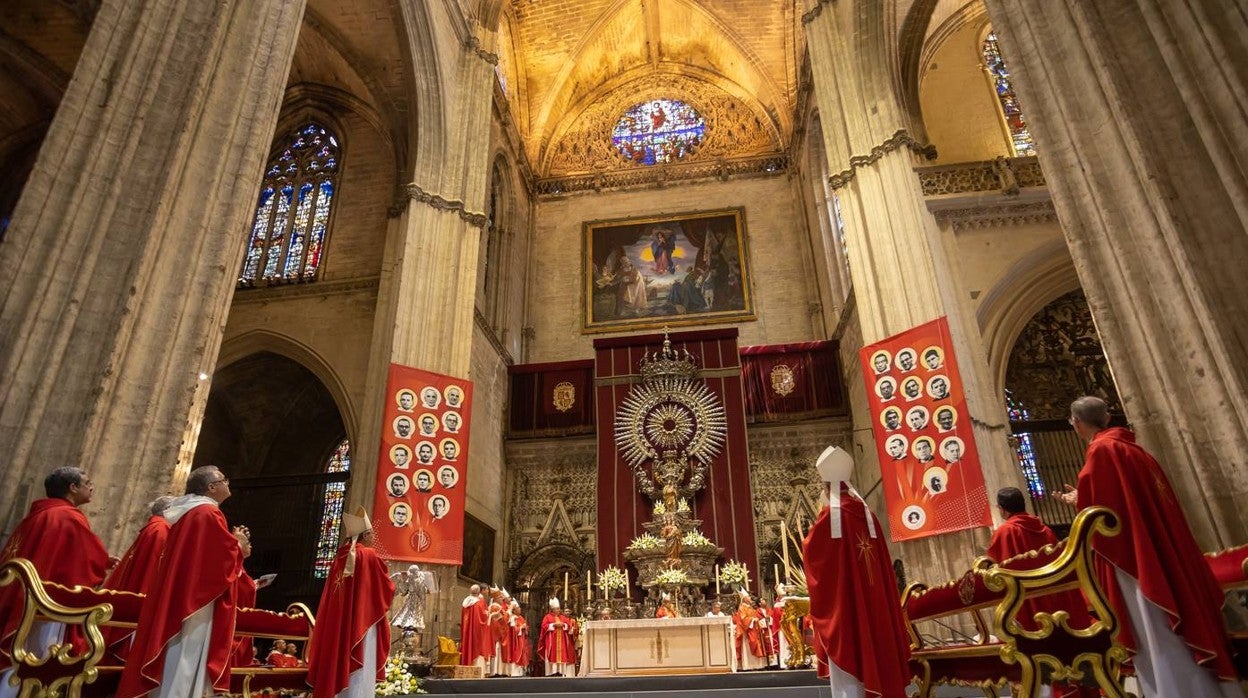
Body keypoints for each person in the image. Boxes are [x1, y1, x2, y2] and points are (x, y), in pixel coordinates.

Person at [1056, 396, 1237, 697]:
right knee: (1173, 620)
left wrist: (1080, 501)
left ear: (1077, 423)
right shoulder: (1135, 450)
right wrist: (1085, 498)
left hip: (1134, 559)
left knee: (1153, 629)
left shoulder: (1102, 451)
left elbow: (1101, 515)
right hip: (1157, 550)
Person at [117, 466, 243, 698]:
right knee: (186, 656)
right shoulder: (207, 513)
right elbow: (217, 561)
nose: (228, 482)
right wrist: (239, 548)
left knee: (177, 659)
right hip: (195, 602)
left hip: (184, 594)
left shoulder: (191, 513)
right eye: (224, 479)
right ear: (211, 487)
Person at [803, 446, 910, 697]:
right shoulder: (869, 516)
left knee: (849, 676)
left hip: (848, 609)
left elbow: (814, 558)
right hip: (876, 605)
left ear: (826, 487)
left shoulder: (830, 518)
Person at [0, 467, 111, 690]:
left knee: (16, 656)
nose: (91, 487)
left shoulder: (38, 515)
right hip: (46, 606)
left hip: (22, 598)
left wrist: (103, 559)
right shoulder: (68, 517)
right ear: (73, 488)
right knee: (35, 660)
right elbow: (89, 560)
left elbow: (61, 552)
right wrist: (103, 562)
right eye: (87, 482)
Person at [986, 487, 1096, 698]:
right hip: (1057, 602)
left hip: (1030, 605)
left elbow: (995, 570)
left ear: (1002, 509)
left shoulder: (1005, 532)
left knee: (1036, 659)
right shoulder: (1044, 529)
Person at [307, 506, 395, 698]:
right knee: (361, 669)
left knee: (340, 655)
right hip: (362, 622)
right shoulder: (369, 555)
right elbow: (386, 589)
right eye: (371, 533)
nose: (374, 538)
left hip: (339, 622)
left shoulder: (340, 556)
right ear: (364, 535)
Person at [102, 496, 174, 660]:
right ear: (169, 511)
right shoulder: (161, 530)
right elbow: (153, 570)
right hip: (143, 598)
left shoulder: (155, 527)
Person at [229, 526, 272, 671]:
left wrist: (255, 585)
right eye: (248, 543)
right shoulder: (234, 563)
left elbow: (241, 586)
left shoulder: (241, 567)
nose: (251, 545)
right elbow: (234, 584)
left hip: (241, 624)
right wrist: (237, 541)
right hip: (234, 626)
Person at [538, 598, 577, 677]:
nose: (559, 610)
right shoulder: (547, 617)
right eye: (557, 608)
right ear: (552, 609)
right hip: (552, 641)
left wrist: (564, 625)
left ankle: (560, 672)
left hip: (562, 641)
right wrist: (553, 625)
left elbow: (569, 626)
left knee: (562, 656)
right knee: (552, 655)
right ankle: (552, 672)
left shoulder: (563, 617)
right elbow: (544, 627)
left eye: (559, 608)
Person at [732, 591, 768, 671]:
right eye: (748, 597)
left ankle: (757, 665)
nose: (750, 598)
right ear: (744, 599)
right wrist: (752, 620)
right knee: (748, 648)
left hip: (754, 630)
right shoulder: (742, 608)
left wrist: (757, 620)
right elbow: (743, 619)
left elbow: (754, 616)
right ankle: (749, 665)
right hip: (747, 632)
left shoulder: (750, 608)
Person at [459, 585, 491, 670]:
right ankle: (478, 670)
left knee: (468, 644)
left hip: (467, 630)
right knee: (477, 646)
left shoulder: (465, 602)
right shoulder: (479, 602)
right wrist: (488, 613)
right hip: (477, 631)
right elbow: (482, 618)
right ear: (479, 591)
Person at [488, 589, 512, 677]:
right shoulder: (495, 607)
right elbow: (502, 620)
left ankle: (499, 671)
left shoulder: (498, 607)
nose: (502, 598)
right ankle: (495, 671)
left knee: (499, 652)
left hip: (500, 632)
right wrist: (509, 612)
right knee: (497, 652)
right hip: (497, 634)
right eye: (501, 597)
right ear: (496, 598)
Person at [507, 601, 531, 677]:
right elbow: (513, 630)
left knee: (523, 655)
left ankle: (521, 672)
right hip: (516, 641)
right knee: (516, 654)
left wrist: (525, 628)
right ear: (514, 610)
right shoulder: (512, 618)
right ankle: (514, 673)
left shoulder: (521, 617)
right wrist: (521, 628)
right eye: (518, 608)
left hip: (522, 639)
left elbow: (525, 627)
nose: (520, 609)